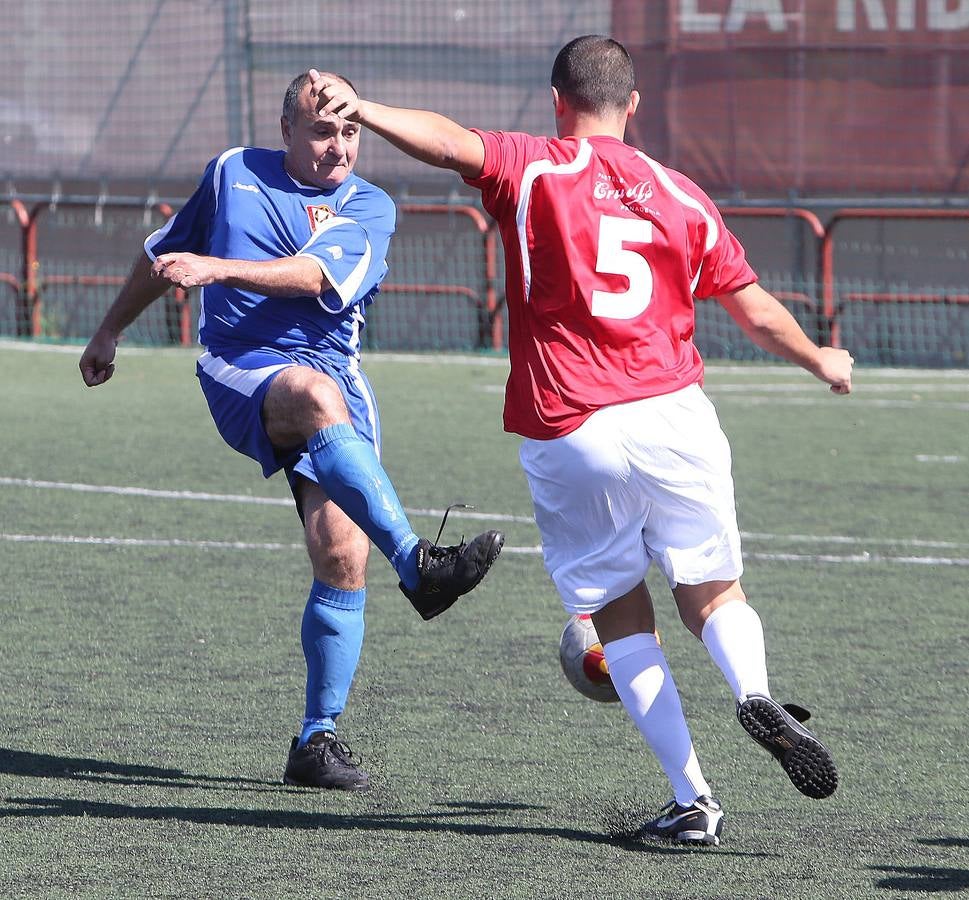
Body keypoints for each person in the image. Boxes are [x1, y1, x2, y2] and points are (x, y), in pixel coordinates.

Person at [311, 34, 854, 843]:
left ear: (556, 101)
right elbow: (751, 306)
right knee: (715, 594)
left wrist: (366, 109)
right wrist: (819, 357)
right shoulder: (680, 193)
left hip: (573, 425)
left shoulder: (533, 166)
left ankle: (693, 800)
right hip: (677, 418)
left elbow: (448, 141)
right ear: (632, 104)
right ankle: (752, 691)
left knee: (618, 616)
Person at [78, 70, 504, 793]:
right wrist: (109, 330)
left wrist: (214, 268)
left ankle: (315, 741)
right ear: (285, 131)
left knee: (342, 552)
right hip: (241, 366)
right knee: (309, 394)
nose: (339, 146)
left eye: (350, 131)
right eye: (322, 130)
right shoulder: (231, 172)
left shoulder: (368, 206)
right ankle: (418, 565)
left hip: (337, 379)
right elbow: (164, 257)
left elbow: (312, 277)